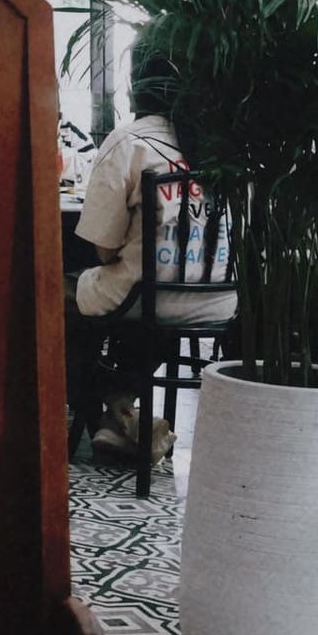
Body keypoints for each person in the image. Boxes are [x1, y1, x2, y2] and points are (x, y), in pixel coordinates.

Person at [69, 45, 236, 462]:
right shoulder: (222, 144)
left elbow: (103, 249)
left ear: (135, 85)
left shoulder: (131, 142)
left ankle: (112, 411)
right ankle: (121, 414)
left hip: (147, 298)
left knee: (45, 299)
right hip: (220, 301)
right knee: (145, 305)